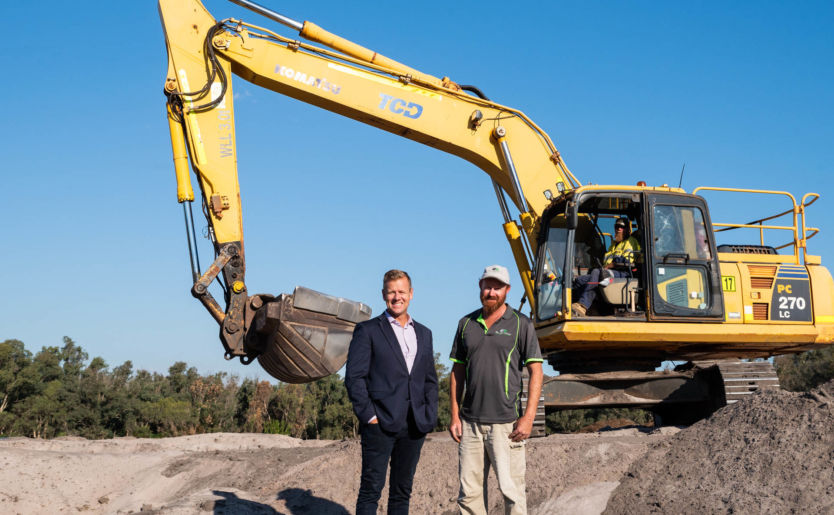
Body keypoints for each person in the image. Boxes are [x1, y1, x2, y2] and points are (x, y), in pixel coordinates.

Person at [449, 265, 544, 515]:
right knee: (468, 497)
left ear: (507, 290)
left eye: (497, 287)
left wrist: (529, 418)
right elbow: (457, 372)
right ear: (480, 287)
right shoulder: (466, 324)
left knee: (511, 492)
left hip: (507, 425)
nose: (491, 291)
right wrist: (454, 415)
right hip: (470, 425)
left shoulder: (521, 324)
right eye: (487, 285)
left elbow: (536, 371)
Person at [345, 269, 439, 515]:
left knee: (402, 492)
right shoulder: (368, 330)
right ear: (383, 295)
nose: (397, 297)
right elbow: (355, 378)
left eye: (402, 292)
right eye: (391, 292)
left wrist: (429, 413)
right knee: (370, 491)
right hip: (380, 423)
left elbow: (429, 379)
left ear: (411, 294)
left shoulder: (425, 334)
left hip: (415, 424)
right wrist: (369, 416)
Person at [571, 217, 642, 317]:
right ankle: (574, 309)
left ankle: (583, 306)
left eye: (622, 227)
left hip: (623, 273)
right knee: (580, 280)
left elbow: (628, 262)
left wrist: (611, 265)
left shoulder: (631, 242)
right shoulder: (613, 245)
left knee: (596, 273)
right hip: (610, 272)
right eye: (617, 226)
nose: (618, 229)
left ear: (628, 229)